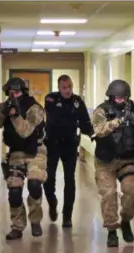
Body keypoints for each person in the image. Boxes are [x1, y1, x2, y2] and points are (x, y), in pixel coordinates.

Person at [92, 79, 134, 247]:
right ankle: (111, 230)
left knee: (131, 192)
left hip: (127, 159)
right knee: (109, 194)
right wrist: (117, 121)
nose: (120, 100)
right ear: (111, 96)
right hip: (105, 161)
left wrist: (132, 118)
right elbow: (99, 130)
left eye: (122, 98)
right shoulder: (101, 110)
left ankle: (126, 220)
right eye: (116, 98)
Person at [0, 77, 47, 240]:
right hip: (16, 153)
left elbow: (26, 132)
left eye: (17, 92)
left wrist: (15, 116)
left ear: (23, 92)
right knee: (14, 192)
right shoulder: (6, 106)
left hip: (36, 151)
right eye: (11, 93)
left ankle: (35, 220)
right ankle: (17, 226)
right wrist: (3, 112)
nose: (14, 95)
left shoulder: (35, 108)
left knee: (35, 185)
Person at [43, 74, 94, 228]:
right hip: (52, 144)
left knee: (69, 180)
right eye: (64, 87)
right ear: (58, 88)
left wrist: (94, 133)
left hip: (70, 145)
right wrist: (74, 120)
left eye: (70, 87)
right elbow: (55, 119)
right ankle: (52, 203)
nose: (67, 90)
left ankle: (67, 216)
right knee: (48, 179)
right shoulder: (50, 99)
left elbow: (85, 123)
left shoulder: (78, 101)